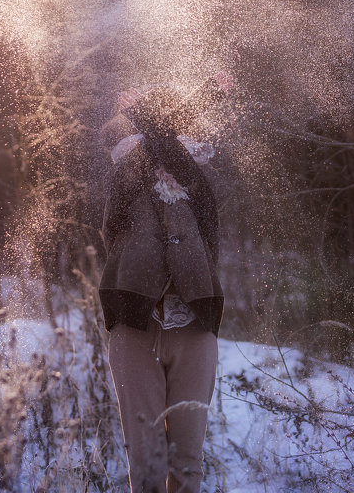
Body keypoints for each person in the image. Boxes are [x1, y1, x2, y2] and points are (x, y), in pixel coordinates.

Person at [97, 75, 230, 493]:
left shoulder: (201, 178)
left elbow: (210, 227)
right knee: (148, 466)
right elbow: (111, 224)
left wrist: (157, 119)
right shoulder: (126, 176)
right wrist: (139, 121)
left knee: (188, 465)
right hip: (134, 330)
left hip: (193, 328)